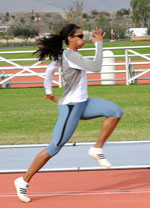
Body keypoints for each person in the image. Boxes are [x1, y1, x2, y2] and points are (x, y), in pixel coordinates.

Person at [14, 24, 123, 202]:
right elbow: (96, 67)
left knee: (115, 111)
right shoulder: (71, 56)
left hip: (82, 104)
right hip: (71, 107)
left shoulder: (65, 55)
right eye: (80, 36)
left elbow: (49, 71)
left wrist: (48, 91)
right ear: (70, 39)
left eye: (83, 35)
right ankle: (23, 181)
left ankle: (97, 149)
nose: (83, 38)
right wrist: (99, 44)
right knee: (54, 148)